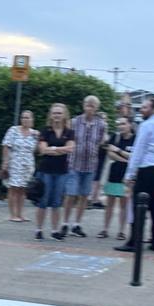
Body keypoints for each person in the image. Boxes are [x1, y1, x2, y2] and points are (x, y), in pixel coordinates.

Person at [115, 98, 154, 252]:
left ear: (153, 109)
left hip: (147, 170)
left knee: (138, 206)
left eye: (144, 107)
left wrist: (130, 174)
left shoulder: (146, 125)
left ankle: (134, 241)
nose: (141, 109)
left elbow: (138, 151)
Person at [61, 95, 106, 237]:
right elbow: (67, 139)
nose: (90, 107)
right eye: (87, 104)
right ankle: (65, 223)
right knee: (70, 194)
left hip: (90, 165)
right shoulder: (74, 122)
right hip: (74, 163)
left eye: (93, 105)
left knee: (84, 195)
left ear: (96, 108)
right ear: (83, 106)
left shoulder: (101, 124)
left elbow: (100, 141)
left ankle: (77, 224)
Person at [35, 103, 75, 241]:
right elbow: (42, 150)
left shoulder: (69, 132)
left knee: (57, 202)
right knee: (43, 201)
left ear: (64, 115)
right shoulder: (45, 131)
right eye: (54, 113)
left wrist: (52, 149)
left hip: (62, 171)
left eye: (59, 113)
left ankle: (54, 230)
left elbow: (71, 149)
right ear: (50, 115)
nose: (57, 116)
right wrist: (60, 149)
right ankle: (39, 230)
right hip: (46, 170)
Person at [97, 117, 135, 240]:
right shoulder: (115, 137)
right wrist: (125, 159)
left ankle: (121, 231)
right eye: (119, 124)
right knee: (110, 204)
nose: (121, 126)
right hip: (113, 174)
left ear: (130, 125)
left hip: (127, 177)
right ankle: (105, 229)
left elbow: (134, 156)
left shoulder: (135, 139)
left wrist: (119, 150)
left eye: (124, 123)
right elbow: (110, 153)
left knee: (124, 204)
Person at [1, 110, 39, 222]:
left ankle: (20, 214)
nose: (25, 120)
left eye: (28, 118)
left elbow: (37, 149)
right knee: (13, 188)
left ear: (32, 119)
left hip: (28, 165)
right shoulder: (13, 130)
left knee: (23, 190)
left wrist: (39, 137)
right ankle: (12, 215)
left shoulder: (34, 134)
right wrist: (5, 162)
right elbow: (6, 146)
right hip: (14, 163)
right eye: (23, 117)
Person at [89, 111, 110, 208]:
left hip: (102, 157)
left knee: (99, 177)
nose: (105, 122)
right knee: (94, 177)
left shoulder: (104, 131)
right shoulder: (95, 131)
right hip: (94, 157)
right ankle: (91, 198)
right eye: (103, 119)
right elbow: (102, 142)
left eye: (105, 119)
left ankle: (96, 198)